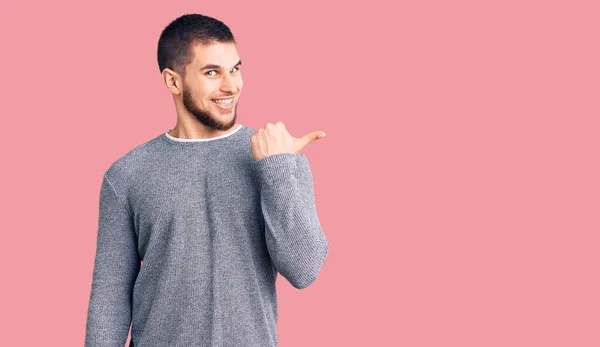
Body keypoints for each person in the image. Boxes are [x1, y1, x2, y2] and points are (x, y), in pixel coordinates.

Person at [83, 13, 329, 347]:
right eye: (212, 72)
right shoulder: (127, 175)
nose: (231, 86)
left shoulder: (279, 157)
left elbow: (304, 270)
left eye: (236, 69)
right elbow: (110, 297)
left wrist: (278, 169)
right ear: (173, 81)